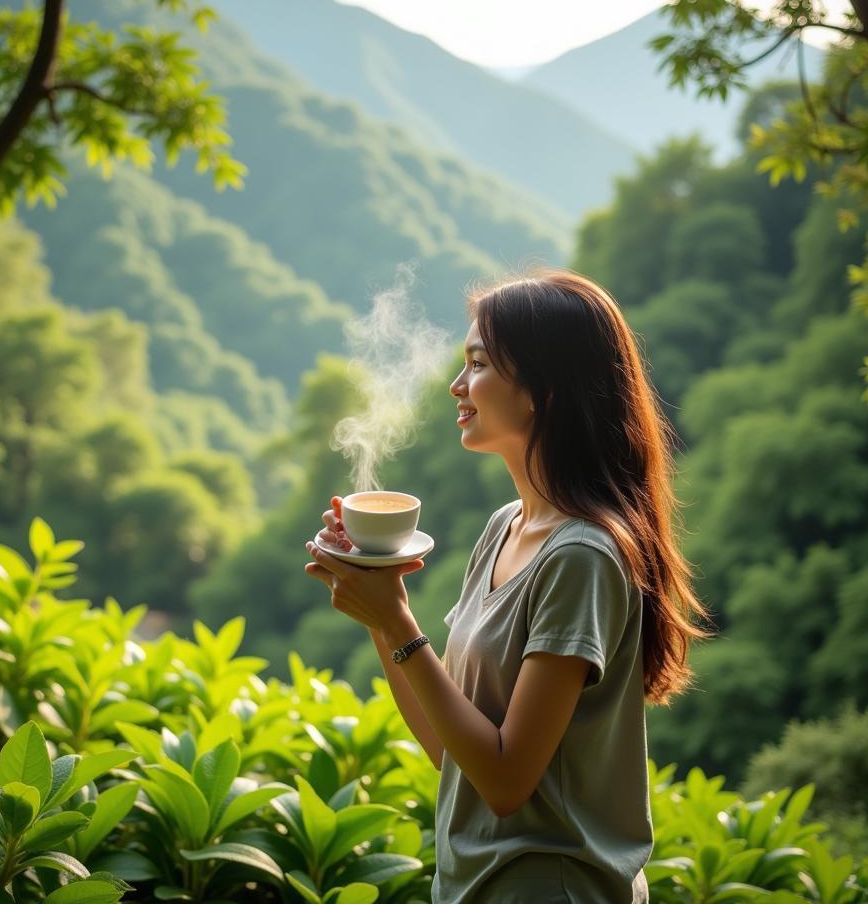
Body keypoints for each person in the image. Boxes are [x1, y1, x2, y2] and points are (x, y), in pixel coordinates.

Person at [304, 269, 713, 904]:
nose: (456, 385)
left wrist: (400, 626)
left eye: (478, 364)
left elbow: (505, 780)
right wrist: (384, 608)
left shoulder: (582, 556)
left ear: (541, 390)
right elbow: (454, 754)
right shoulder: (505, 527)